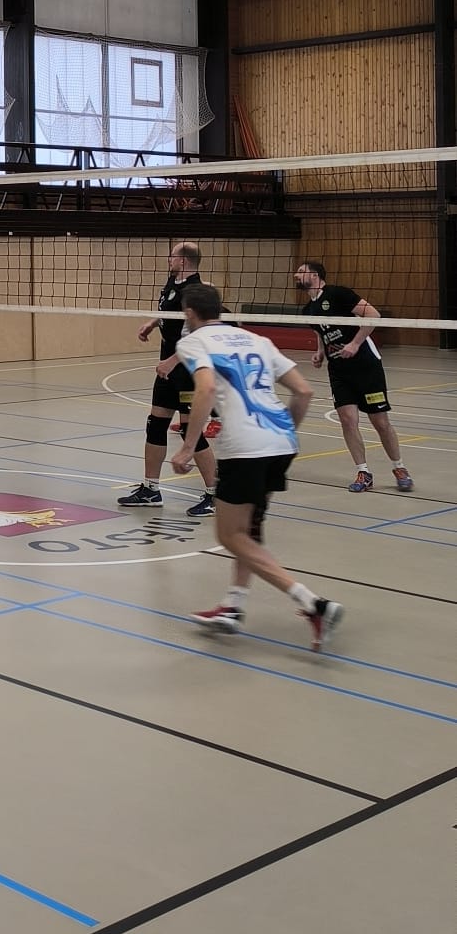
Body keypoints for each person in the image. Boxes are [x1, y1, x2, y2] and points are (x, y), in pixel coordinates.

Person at [173, 283, 343, 650]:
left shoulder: (193, 342)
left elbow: (205, 390)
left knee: (229, 535)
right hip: (281, 441)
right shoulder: (256, 339)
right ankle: (233, 606)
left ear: (189, 313)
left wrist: (188, 447)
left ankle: (313, 604)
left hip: (243, 446)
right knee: (249, 530)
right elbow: (304, 391)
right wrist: (281, 434)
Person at [295, 260, 413, 493]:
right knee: (348, 420)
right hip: (339, 370)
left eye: (301, 271)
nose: (296, 275)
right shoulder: (308, 310)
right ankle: (363, 472)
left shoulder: (339, 294)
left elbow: (373, 315)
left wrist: (355, 344)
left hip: (365, 365)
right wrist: (320, 352)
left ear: (315, 275)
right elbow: (321, 332)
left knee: (380, 422)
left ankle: (399, 467)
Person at [119, 241, 217, 516]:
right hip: (168, 370)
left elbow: (201, 334)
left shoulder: (197, 292)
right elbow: (170, 313)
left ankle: (214, 494)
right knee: (155, 424)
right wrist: (152, 323)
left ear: (183, 260)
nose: (168, 259)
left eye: (172, 255)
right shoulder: (173, 282)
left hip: (187, 371)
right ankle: (151, 489)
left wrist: (173, 360)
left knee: (190, 430)